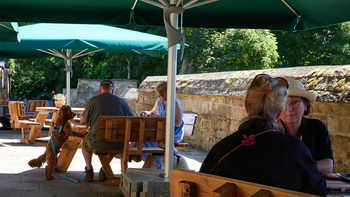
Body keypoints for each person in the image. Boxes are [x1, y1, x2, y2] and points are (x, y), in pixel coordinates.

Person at [200, 74, 326, 196]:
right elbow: (318, 191)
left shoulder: (221, 149)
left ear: (246, 107)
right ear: (278, 114)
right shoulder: (294, 148)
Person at [80, 79, 134, 182]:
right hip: (118, 143)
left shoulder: (93, 100)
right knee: (114, 140)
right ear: (112, 90)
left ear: (100, 90)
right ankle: (104, 169)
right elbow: (132, 120)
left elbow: (83, 122)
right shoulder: (122, 102)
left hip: (96, 142)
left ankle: (89, 169)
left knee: (84, 143)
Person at [279, 76, 333, 174]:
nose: (288, 108)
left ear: (305, 105)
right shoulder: (269, 129)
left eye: (295, 102)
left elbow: (328, 166)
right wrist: (311, 167)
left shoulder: (317, 128)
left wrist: (297, 167)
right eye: (283, 103)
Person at [139, 81, 184, 168]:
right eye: (158, 94)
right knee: (141, 137)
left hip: (173, 133)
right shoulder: (159, 102)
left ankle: (157, 165)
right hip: (160, 131)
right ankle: (154, 164)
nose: (159, 96)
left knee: (145, 139)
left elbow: (177, 123)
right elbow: (153, 112)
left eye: (161, 94)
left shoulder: (175, 103)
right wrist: (146, 113)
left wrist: (161, 122)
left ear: (169, 93)